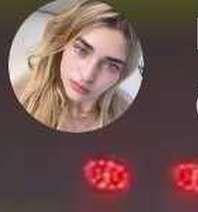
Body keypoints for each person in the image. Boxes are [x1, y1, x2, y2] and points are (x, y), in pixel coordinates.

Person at [12, 0, 141, 131]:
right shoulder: (21, 96)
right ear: (62, 43)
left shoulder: (126, 113)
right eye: (81, 50)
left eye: (111, 65)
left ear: (122, 74)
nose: (87, 76)